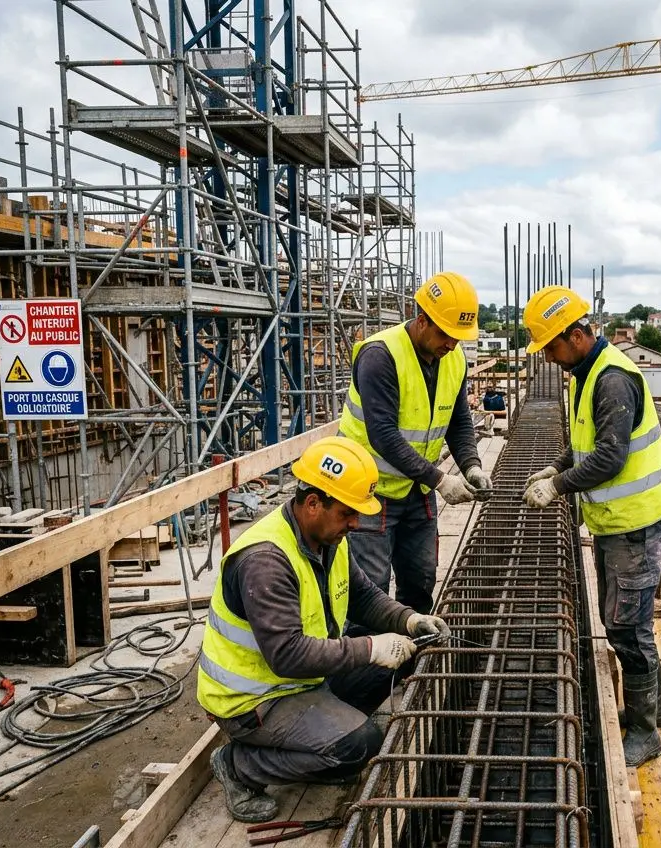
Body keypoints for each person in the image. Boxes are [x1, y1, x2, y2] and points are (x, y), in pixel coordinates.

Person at [198, 436, 449, 822]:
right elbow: (287, 655)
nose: (356, 523)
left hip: (305, 681)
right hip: (255, 701)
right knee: (359, 744)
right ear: (313, 503)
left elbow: (364, 597)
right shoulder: (265, 561)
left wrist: (409, 620)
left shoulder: (326, 538)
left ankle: (319, 745)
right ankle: (239, 765)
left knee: (407, 658)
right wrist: (370, 648)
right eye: (348, 513)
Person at [520, 286, 661, 768]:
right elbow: (591, 443)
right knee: (624, 623)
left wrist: (560, 486)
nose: (549, 357)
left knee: (629, 630)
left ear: (575, 334)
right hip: (618, 525)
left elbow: (611, 458)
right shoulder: (586, 374)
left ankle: (646, 731)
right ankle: (656, 706)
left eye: (551, 346)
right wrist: (557, 466)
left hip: (636, 527)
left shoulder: (611, 379)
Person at [338, 271, 493, 621]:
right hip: (368, 491)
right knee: (371, 591)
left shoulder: (452, 358)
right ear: (422, 321)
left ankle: (413, 662)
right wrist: (441, 479)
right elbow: (383, 435)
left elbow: (458, 420)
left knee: (421, 580)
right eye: (446, 335)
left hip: (416, 490)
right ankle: (372, 667)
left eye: (458, 337)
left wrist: (471, 465)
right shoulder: (381, 356)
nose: (452, 344)